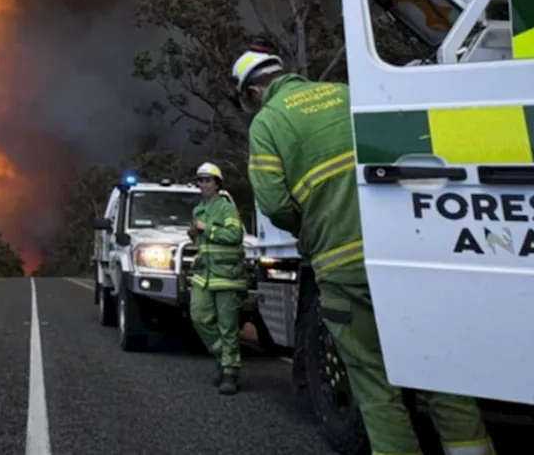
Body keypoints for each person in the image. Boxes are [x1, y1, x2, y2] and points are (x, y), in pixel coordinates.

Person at [231, 46, 496, 455]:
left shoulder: (268, 122)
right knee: (442, 371)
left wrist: (313, 226)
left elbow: (273, 202)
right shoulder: (347, 92)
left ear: (252, 92)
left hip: (343, 265)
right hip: (407, 253)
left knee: (374, 382)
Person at [187, 161, 246, 396]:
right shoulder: (198, 210)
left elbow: (235, 235)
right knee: (198, 315)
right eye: (200, 180)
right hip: (205, 275)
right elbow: (202, 243)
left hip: (227, 276)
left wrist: (206, 228)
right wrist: (193, 234)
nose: (203, 184)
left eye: (207, 180)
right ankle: (224, 357)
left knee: (228, 326)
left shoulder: (226, 208)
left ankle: (229, 373)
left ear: (217, 183)